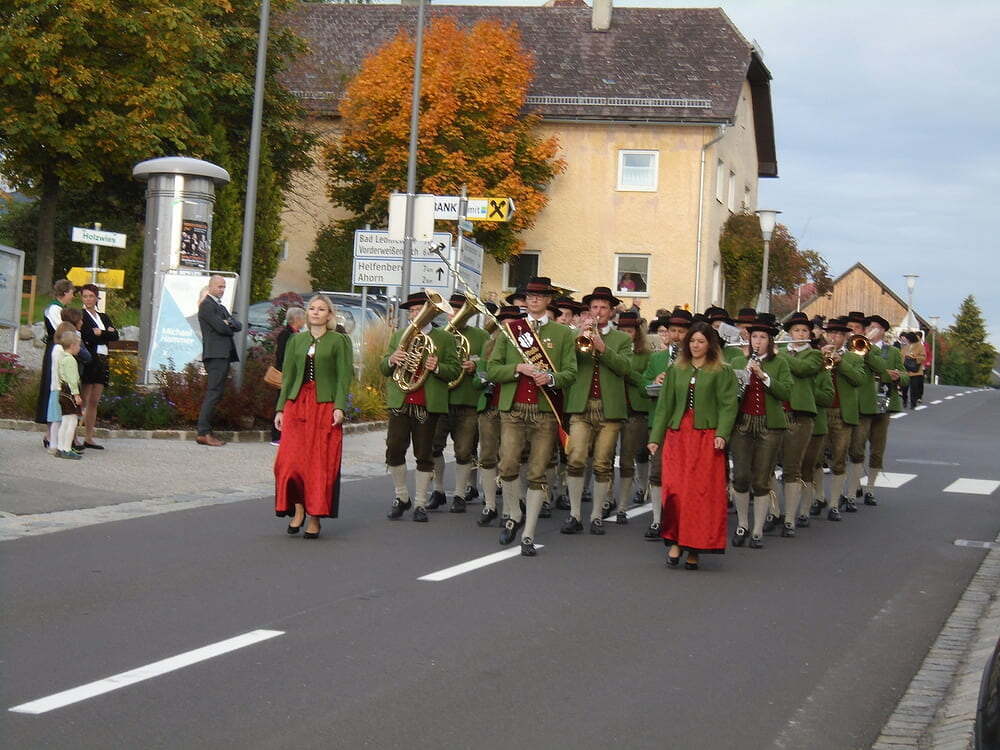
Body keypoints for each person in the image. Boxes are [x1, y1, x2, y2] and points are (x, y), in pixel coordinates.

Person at [487, 277, 576, 556]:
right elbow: (492, 369)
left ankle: (528, 533)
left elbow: (570, 373)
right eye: (530, 296)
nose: (534, 299)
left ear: (549, 300)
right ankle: (514, 513)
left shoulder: (563, 334)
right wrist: (517, 368)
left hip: (545, 411)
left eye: (540, 296)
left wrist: (550, 378)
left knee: (538, 472)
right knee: (508, 464)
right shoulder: (510, 330)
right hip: (513, 408)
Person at [646, 321, 737, 570]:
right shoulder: (677, 369)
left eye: (701, 342)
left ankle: (695, 547)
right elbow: (664, 406)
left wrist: (722, 433)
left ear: (710, 345)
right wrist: (655, 438)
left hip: (706, 436)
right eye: (693, 341)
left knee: (700, 493)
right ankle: (676, 541)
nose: (696, 346)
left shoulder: (722, 371)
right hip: (678, 435)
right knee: (675, 489)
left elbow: (728, 406)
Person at [273, 295, 353, 539]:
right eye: (312, 308)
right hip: (297, 403)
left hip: (323, 404)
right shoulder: (296, 340)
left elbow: (344, 376)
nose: (316, 312)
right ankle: (298, 509)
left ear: (329, 315)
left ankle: (315, 516)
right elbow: (288, 376)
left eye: (321, 309)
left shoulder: (339, 341)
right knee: (289, 462)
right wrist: (280, 409)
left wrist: (339, 406)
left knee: (318, 463)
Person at [383, 291, 461, 522]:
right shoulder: (400, 335)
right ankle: (401, 496)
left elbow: (454, 371)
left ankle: (420, 503)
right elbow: (383, 367)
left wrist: (437, 367)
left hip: (427, 403)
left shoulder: (444, 338)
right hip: (401, 400)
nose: (415, 314)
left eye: (420, 310)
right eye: (412, 311)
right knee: (394, 449)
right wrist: (391, 360)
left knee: (424, 453)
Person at [562, 286, 632, 535]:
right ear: (588, 311)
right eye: (594, 307)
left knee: (602, 463)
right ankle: (574, 514)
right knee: (576, 458)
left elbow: (625, 368)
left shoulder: (622, 339)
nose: (599, 311)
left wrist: (602, 347)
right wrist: (579, 334)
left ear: (611, 312)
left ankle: (596, 515)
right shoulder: (575, 334)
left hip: (609, 408)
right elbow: (565, 361)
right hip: (580, 406)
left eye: (603, 307)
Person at [728, 315, 792, 549]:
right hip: (743, 424)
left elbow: (786, 392)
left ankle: (757, 530)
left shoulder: (780, 363)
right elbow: (729, 394)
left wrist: (763, 376)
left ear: (770, 341)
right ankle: (742, 524)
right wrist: (742, 378)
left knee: (762, 479)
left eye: (763, 337)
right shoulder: (737, 361)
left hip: (769, 425)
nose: (757, 341)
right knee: (740, 476)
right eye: (754, 336)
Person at [429, 293, 489, 513]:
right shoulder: (438, 336)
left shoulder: (481, 336)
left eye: (460, 311)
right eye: (452, 311)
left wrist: (476, 366)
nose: (455, 315)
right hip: (441, 399)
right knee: (433, 447)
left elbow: (489, 366)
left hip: (468, 400)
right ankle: (437, 490)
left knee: (464, 451)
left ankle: (460, 494)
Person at [640, 307, 692, 537]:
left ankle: (683, 518)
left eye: (682, 331)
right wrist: (654, 380)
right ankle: (657, 519)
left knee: (685, 473)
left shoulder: (696, 360)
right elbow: (643, 386)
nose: (676, 335)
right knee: (658, 471)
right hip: (660, 421)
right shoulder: (657, 358)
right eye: (673, 330)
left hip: (687, 423)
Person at [847, 315, 907, 507]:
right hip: (863, 403)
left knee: (877, 449)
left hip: (883, 402)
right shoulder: (857, 347)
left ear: (883, 331)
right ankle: (853, 488)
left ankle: (870, 489)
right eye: (868, 327)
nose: (871, 330)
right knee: (856, 447)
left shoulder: (892, 352)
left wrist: (897, 377)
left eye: (875, 327)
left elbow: (905, 377)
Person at [774, 311, 825, 537]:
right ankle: (773, 512)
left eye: (805, 331)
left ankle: (791, 518)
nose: (801, 334)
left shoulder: (814, 355)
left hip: (800, 414)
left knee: (793, 467)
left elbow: (803, 370)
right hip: (778, 412)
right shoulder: (781, 353)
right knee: (769, 465)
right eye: (796, 330)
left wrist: (778, 355)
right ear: (790, 333)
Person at [812, 317, 865, 520]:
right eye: (831, 333)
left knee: (839, 459)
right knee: (816, 458)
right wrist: (820, 358)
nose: (834, 337)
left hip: (842, 413)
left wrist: (840, 362)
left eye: (839, 335)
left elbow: (858, 379)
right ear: (826, 335)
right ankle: (818, 497)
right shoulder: (816, 354)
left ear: (845, 337)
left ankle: (834, 503)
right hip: (820, 411)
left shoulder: (854, 357)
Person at [475, 305, 524, 527]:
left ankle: (510, 508)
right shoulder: (489, 345)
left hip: (512, 407)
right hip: (490, 406)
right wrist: (482, 376)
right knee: (487, 455)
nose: (507, 328)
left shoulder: (524, 349)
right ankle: (489, 504)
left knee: (509, 458)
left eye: (511, 324)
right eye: (503, 323)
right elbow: (478, 380)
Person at [613, 311, 652, 523]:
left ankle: (625, 503)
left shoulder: (645, 354)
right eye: (622, 330)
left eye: (629, 330)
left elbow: (647, 383)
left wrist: (629, 373)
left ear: (637, 332)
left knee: (632, 455)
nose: (626, 334)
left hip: (635, 409)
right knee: (606, 456)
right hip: (613, 406)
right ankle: (607, 498)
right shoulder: (612, 350)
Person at [196, 275, 242, 446]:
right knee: (213, 392)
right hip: (216, 355)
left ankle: (206, 431)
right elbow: (223, 328)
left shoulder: (220, 306)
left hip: (223, 354)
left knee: (217, 393)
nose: (222, 290)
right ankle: (203, 432)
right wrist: (227, 324)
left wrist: (227, 322)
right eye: (219, 286)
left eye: (224, 287)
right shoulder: (207, 305)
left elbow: (238, 325)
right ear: (210, 287)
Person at [34, 279, 76, 447]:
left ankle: (53, 434)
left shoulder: (60, 309)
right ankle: (50, 434)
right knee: (53, 388)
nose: (73, 296)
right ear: (65, 293)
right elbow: (62, 331)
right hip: (56, 350)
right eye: (71, 292)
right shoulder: (54, 309)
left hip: (62, 349)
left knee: (60, 390)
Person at [78, 284, 119, 449]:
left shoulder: (103, 316)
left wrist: (101, 333)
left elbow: (114, 335)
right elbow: (88, 335)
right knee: (83, 399)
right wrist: (105, 334)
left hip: (103, 358)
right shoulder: (81, 315)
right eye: (85, 296)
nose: (88, 299)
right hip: (90, 358)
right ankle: (73, 436)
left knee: (94, 400)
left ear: (96, 298)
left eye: (91, 296)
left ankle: (89, 437)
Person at [270, 306, 306, 445]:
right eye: (303, 318)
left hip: (290, 374)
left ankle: (287, 433)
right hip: (284, 373)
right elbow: (282, 355)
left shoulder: (295, 334)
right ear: (296, 319)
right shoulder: (286, 334)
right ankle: (277, 435)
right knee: (281, 401)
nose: (304, 321)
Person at [54, 330, 84, 460]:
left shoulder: (62, 358)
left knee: (65, 421)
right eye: (78, 346)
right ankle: (67, 449)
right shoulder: (71, 360)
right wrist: (76, 394)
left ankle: (60, 448)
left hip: (63, 392)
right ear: (72, 346)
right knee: (72, 422)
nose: (79, 348)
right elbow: (72, 380)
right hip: (70, 393)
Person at [901, 331, 926, 409]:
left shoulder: (920, 346)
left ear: (911, 339)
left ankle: (913, 403)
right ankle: (904, 401)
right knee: (904, 388)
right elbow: (901, 357)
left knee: (914, 388)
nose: (906, 340)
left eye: (907, 339)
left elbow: (923, 357)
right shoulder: (905, 347)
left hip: (916, 371)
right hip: (905, 371)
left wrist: (914, 357)